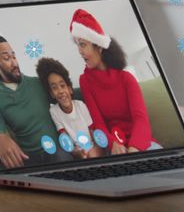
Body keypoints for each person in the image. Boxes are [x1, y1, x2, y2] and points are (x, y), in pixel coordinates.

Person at [0, 28, 72, 170]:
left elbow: (66, 93)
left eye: (13, 56)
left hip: (56, 151)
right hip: (28, 158)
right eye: (6, 58)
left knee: (61, 157)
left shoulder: (37, 83)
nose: (14, 63)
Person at [68, 9, 163, 153]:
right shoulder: (85, 81)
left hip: (140, 143)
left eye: (82, 44)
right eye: (78, 45)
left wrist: (134, 148)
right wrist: (112, 144)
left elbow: (141, 119)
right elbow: (98, 123)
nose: (79, 51)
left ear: (98, 46)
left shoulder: (126, 79)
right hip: (113, 145)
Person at [35, 56, 106, 159]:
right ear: (51, 94)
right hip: (77, 150)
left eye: (62, 86)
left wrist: (95, 149)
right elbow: (64, 137)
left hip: (92, 145)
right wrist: (75, 151)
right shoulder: (54, 111)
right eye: (54, 88)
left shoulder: (80, 105)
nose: (60, 91)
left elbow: (93, 131)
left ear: (70, 89)